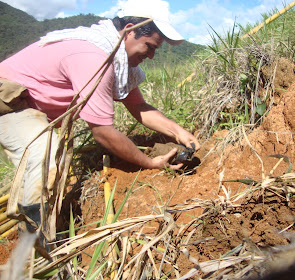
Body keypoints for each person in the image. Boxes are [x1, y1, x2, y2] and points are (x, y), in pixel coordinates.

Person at [0, 0, 200, 230]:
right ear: (129, 31)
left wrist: (179, 132)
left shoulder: (120, 61)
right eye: (149, 46)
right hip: (9, 101)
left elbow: (139, 108)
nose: (152, 56)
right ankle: (33, 247)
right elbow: (103, 133)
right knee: (45, 154)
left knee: (51, 160)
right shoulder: (95, 57)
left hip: (30, 108)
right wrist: (149, 163)